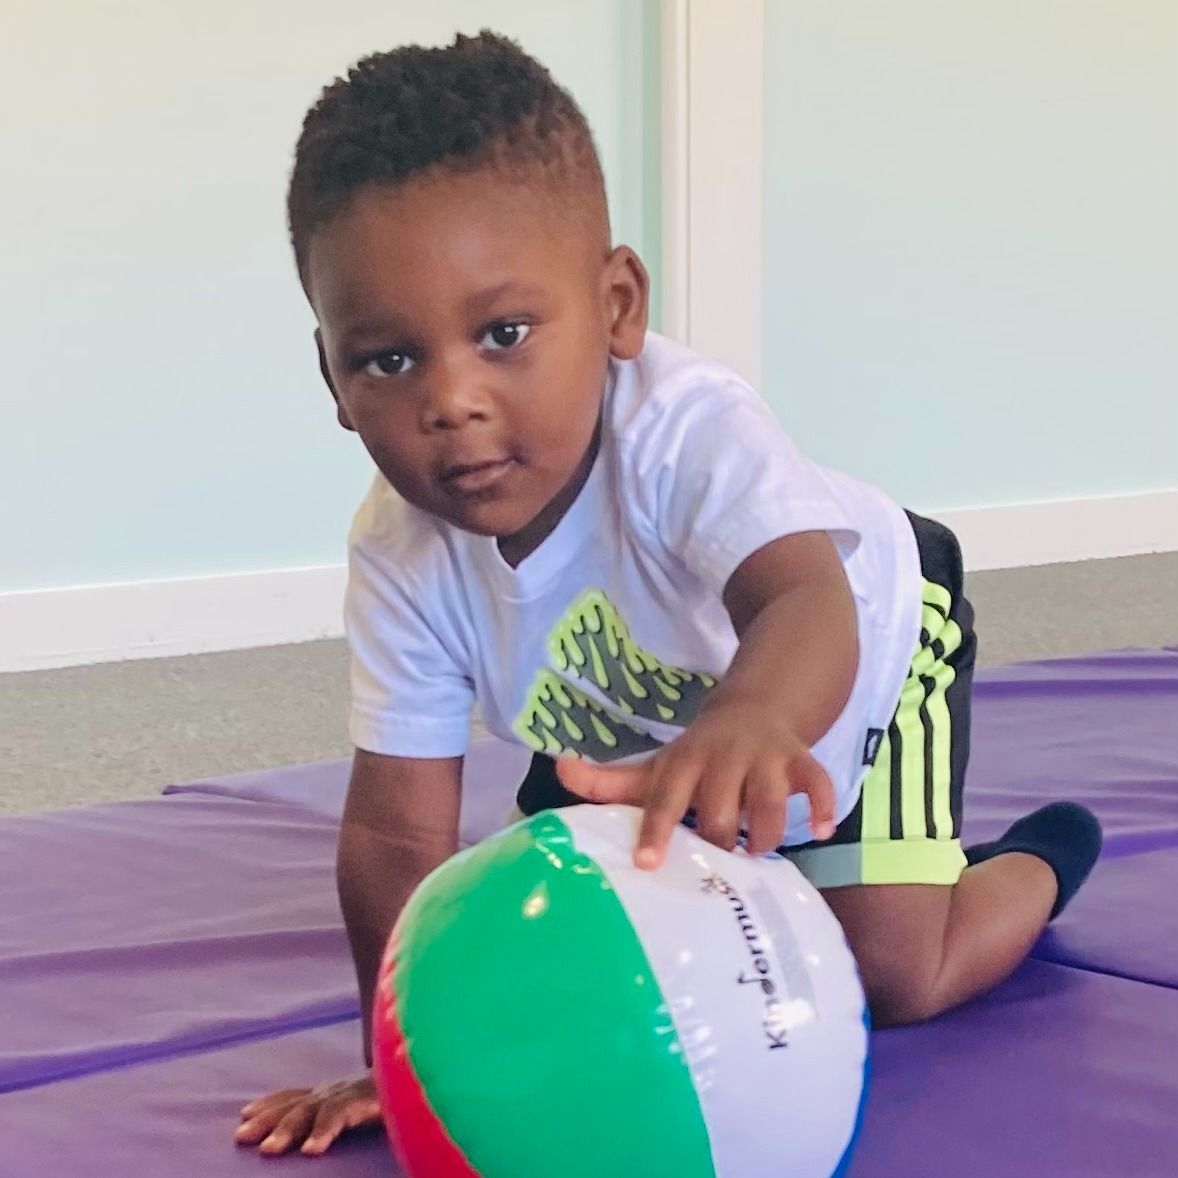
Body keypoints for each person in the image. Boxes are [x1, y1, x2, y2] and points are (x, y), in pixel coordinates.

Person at [235, 31, 1101, 1157]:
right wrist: (400, 1051)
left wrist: (750, 718)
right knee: (547, 963)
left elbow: (802, 602)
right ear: (332, 380)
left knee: (886, 973)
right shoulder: (398, 549)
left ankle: (1030, 861)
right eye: (388, 360)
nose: (451, 400)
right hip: (634, 724)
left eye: (503, 334)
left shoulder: (687, 430)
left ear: (615, 306)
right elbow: (397, 824)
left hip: (860, 637)